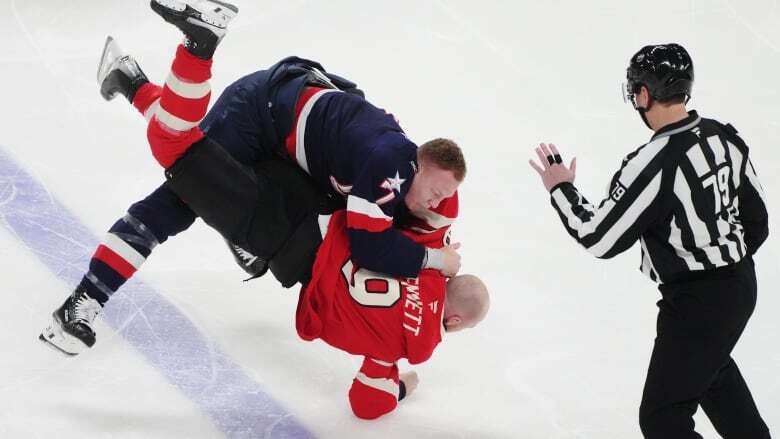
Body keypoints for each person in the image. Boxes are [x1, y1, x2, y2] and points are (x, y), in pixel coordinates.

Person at [41, 0, 467, 356]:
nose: (436, 203)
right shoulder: (388, 167)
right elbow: (371, 245)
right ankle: (198, 44)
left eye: (442, 198)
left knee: (193, 161)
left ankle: (130, 80)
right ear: (420, 163)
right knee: (176, 192)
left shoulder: (406, 176)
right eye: (435, 191)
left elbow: (426, 215)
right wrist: (435, 260)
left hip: (287, 137)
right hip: (258, 112)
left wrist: (437, 237)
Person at [529, 43, 770, 438]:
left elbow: (600, 237)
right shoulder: (723, 137)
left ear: (643, 94)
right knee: (711, 374)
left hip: (695, 302)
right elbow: (757, 219)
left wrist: (562, 191)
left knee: (662, 418)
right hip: (741, 285)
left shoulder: (654, 161)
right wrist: (724, 262)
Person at [296, 196, 490, 420]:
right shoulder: (415, 344)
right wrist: (400, 388)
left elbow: (431, 209)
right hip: (304, 276)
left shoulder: (432, 258)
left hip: (327, 224)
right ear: (455, 320)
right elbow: (366, 405)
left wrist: (442, 249)